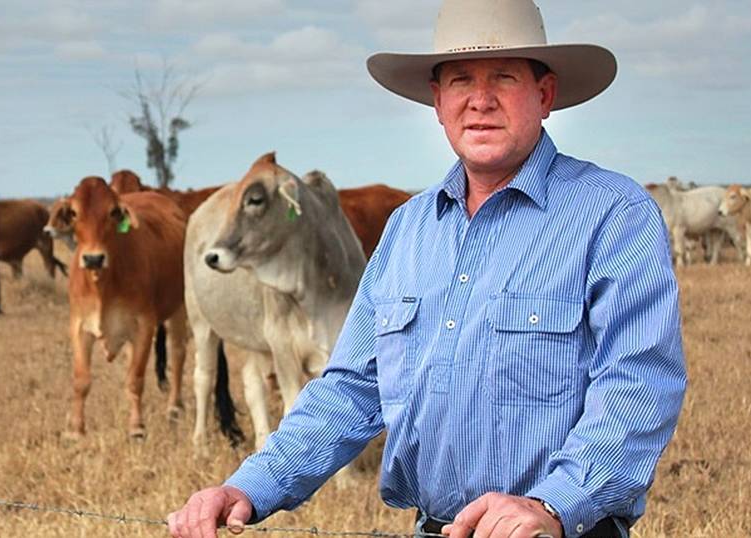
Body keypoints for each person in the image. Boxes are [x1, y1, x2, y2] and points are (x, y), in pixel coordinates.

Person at [168, 1, 686, 537]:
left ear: (545, 94)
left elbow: (639, 382)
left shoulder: (612, 214)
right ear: (438, 102)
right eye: (461, 80)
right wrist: (247, 488)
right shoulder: (408, 230)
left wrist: (553, 505)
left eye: (503, 78)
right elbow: (351, 388)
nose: (479, 101)